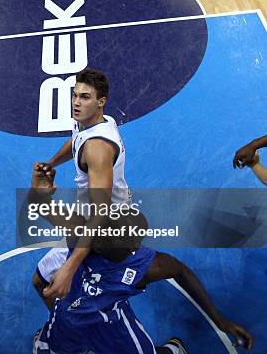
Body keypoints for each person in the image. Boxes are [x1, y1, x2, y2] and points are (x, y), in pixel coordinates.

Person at [30, 167, 254, 353]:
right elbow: (180, 271)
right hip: (74, 320)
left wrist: (38, 190)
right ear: (134, 248)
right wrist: (219, 320)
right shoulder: (145, 266)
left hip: (106, 324)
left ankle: (172, 350)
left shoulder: (79, 232)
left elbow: (39, 204)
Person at [33, 68, 130, 309]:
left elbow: (101, 214)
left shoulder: (97, 148)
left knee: (50, 286)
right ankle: (64, 324)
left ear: (101, 102)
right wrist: (51, 163)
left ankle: (69, 329)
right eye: (75, 96)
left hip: (105, 229)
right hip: (89, 217)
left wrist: (70, 265)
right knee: (41, 282)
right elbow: (76, 140)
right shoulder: (93, 121)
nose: (76, 103)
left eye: (84, 97)